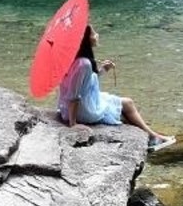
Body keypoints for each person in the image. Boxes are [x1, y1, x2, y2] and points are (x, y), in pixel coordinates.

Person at [58, 24, 176, 152]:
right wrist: (73, 123)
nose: (97, 35)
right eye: (94, 33)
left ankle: (151, 136)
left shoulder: (78, 60)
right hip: (82, 110)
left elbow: (86, 84)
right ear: (86, 40)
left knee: (123, 107)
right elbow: (74, 95)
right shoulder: (83, 64)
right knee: (128, 104)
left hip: (76, 105)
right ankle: (154, 138)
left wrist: (102, 70)